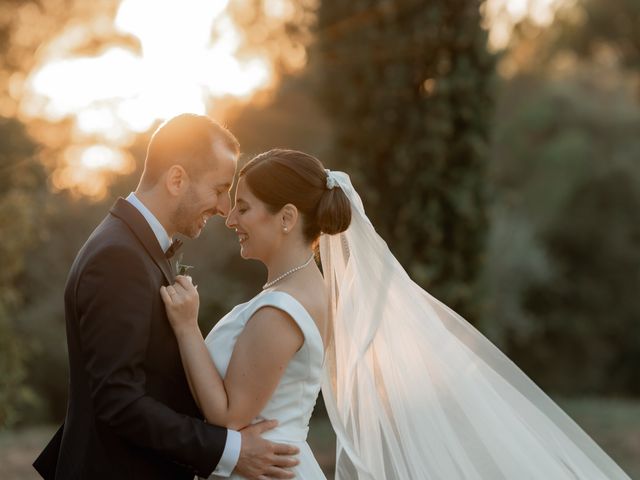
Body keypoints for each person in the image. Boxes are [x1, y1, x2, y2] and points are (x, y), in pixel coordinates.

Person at [162, 148, 632, 479]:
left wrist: (186, 327)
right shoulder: (302, 290)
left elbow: (227, 415)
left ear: (286, 218)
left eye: (243, 208)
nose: (230, 219)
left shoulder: (282, 309)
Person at [33, 115, 299, 480]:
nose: (224, 208)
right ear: (177, 179)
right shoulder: (119, 257)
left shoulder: (135, 246)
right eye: (219, 189)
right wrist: (228, 450)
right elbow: (118, 399)